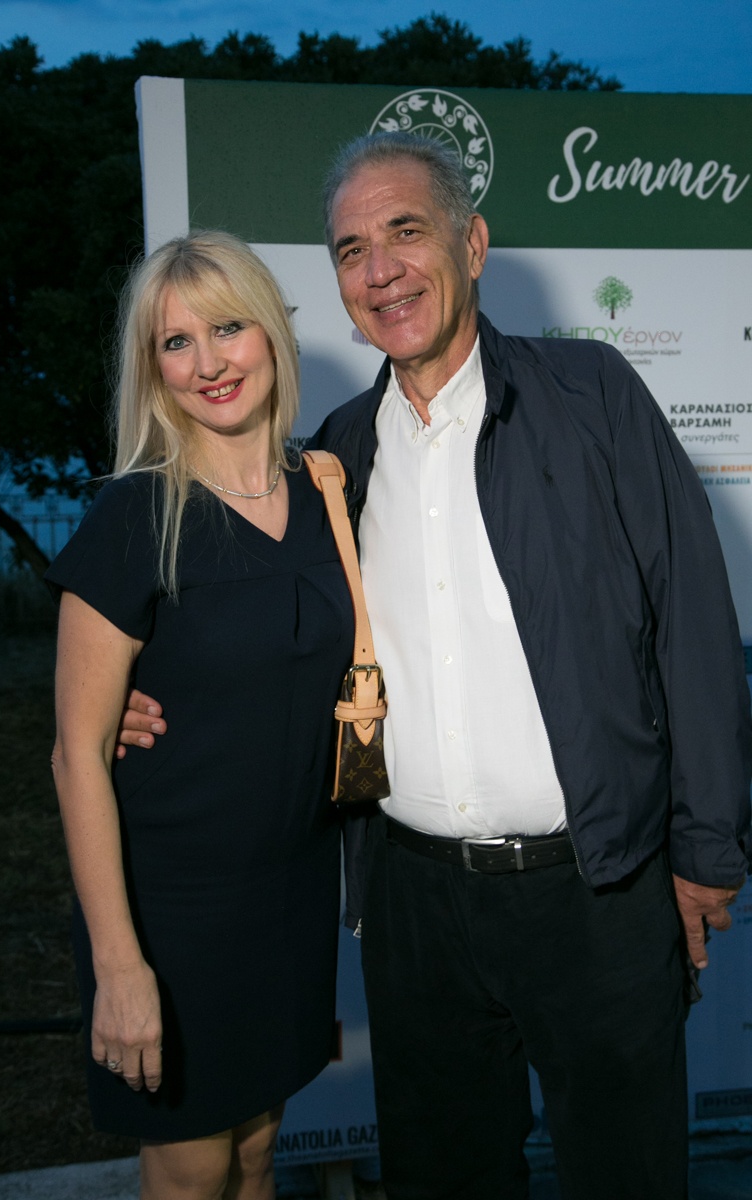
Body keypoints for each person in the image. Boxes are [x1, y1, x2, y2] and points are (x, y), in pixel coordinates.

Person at [120, 136, 752, 1199]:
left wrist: (706, 849)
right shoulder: (335, 456)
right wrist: (144, 697)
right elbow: (267, 641)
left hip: (597, 891)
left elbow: (691, 617)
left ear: (472, 244)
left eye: (405, 232)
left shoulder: (591, 395)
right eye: (350, 250)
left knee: (626, 1176)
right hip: (414, 907)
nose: (380, 271)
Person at [47, 231, 352, 1200]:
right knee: (191, 1168)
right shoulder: (133, 517)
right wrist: (120, 966)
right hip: (172, 911)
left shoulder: (328, 494)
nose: (209, 362)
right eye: (176, 342)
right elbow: (76, 754)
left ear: (271, 334)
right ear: (153, 369)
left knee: (259, 1152)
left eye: (227, 329)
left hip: (293, 891)